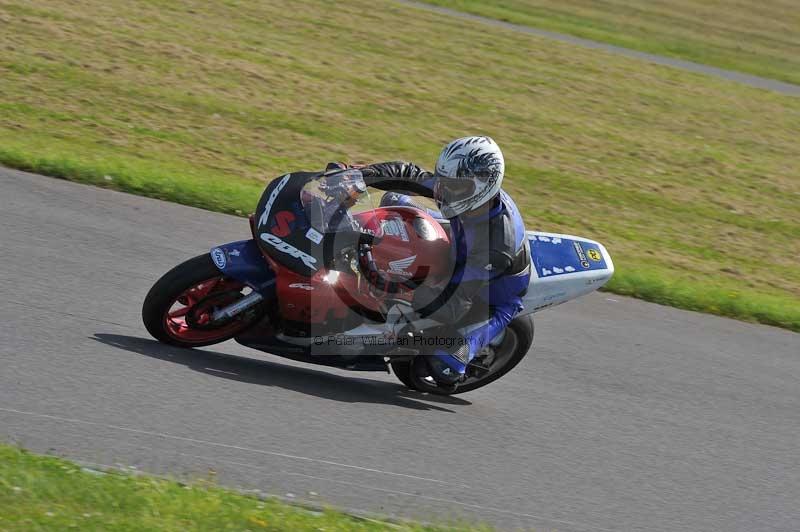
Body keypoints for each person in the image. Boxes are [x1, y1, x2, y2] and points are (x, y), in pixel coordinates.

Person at [351, 136, 531, 389]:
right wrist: (359, 176)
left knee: (445, 367)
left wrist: (397, 300)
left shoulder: (496, 246)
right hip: (461, 237)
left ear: (484, 185)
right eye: (443, 182)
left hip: (488, 296)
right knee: (394, 199)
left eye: (454, 187)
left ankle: (460, 358)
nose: (444, 191)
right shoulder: (462, 191)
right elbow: (408, 174)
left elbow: (455, 301)